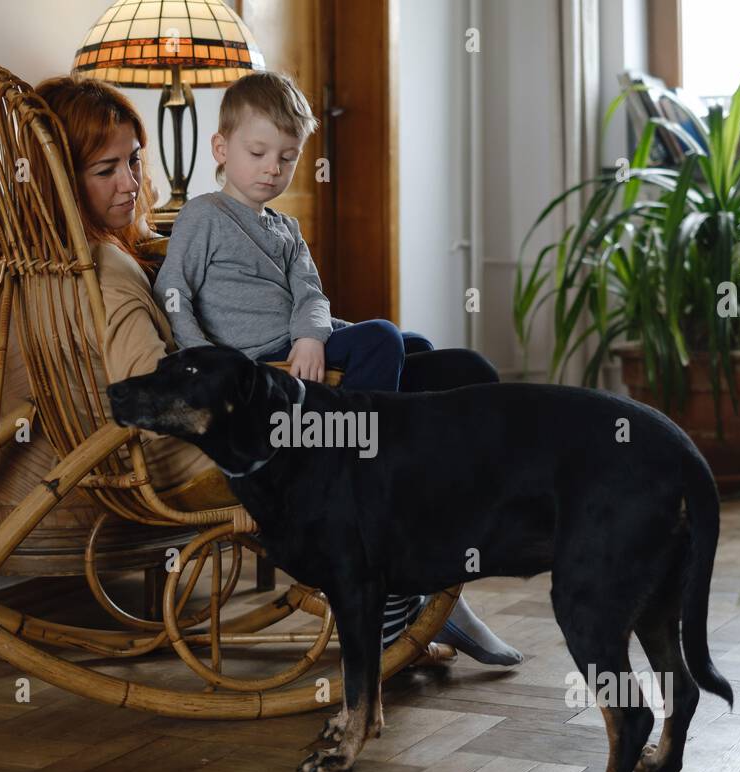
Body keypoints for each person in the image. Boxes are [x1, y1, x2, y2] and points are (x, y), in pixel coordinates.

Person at [34, 73, 520, 666]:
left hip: (285, 372)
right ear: (58, 179)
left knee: (449, 363)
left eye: (134, 161)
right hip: (261, 416)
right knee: (418, 365)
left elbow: (305, 294)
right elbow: (169, 380)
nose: (132, 184)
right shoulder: (116, 264)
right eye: (105, 170)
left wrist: (310, 333)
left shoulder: (189, 240)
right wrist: (246, 371)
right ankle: (392, 539)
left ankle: (423, 571)